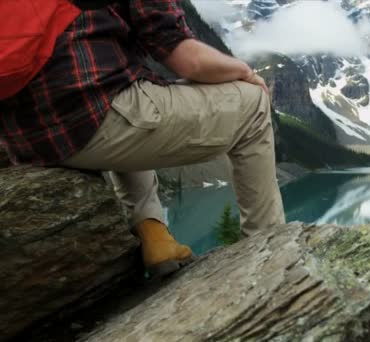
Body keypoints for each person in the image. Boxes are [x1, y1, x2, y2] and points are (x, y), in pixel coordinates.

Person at [0, 0, 285, 277]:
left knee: (132, 90)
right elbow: (183, 56)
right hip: (91, 116)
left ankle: (154, 232)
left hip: (26, 135)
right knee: (252, 104)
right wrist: (245, 71)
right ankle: (269, 254)